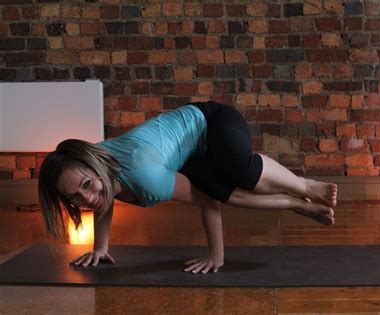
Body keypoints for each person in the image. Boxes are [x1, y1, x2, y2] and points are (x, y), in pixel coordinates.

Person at [39, 101, 337, 274]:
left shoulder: (146, 176)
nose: (88, 199)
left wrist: (216, 257)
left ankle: (305, 186)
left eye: (87, 186)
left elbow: (208, 202)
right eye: (75, 197)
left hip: (212, 122)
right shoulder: (94, 168)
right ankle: (299, 205)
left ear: (96, 165)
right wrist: (100, 248)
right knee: (229, 194)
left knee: (238, 171)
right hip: (189, 155)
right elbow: (102, 198)